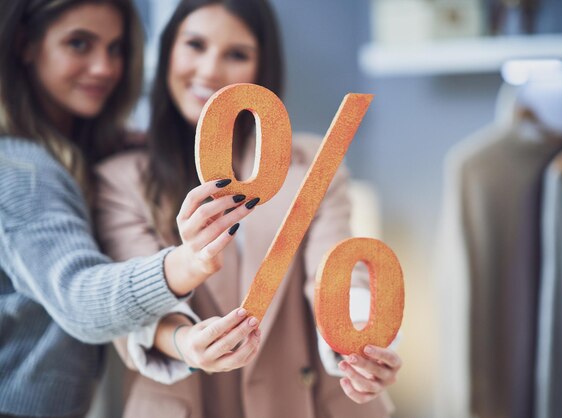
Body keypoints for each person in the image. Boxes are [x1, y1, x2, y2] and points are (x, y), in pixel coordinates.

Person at [94, 0, 401, 417]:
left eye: (236, 54)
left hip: (303, 400)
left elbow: (335, 266)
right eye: (195, 45)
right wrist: (186, 344)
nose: (209, 70)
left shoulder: (312, 163)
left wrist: (360, 343)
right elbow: (133, 298)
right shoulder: (119, 178)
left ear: (262, 69)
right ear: (167, 52)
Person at [0, 1, 258, 417]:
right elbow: (79, 297)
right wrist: (187, 262)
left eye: (116, 48)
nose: (104, 67)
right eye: (79, 43)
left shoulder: (94, 153)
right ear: (24, 45)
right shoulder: (21, 170)